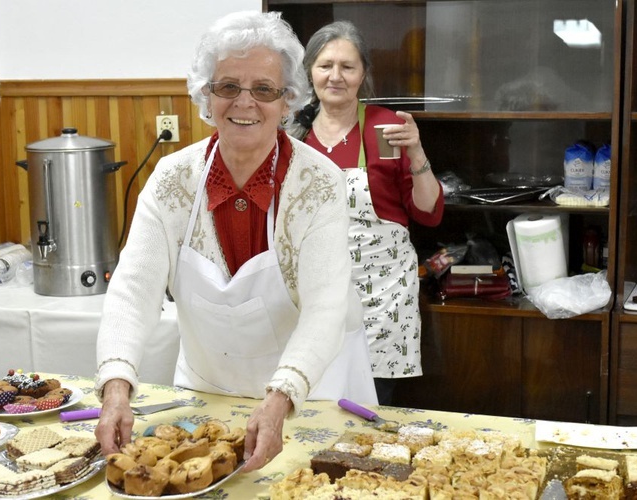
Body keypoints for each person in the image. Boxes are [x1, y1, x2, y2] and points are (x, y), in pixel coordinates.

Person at [93, 11, 377, 473]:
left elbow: (325, 308)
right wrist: (117, 385)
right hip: (206, 396)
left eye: (263, 89)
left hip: (309, 396)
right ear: (206, 94)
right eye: (228, 86)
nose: (244, 103)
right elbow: (132, 291)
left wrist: (281, 397)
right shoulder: (172, 179)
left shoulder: (319, 182)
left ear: (287, 101)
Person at [290, 21, 444, 406]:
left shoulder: (385, 128)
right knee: (314, 400)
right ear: (310, 71)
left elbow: (429, 213)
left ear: (363, 75)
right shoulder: (294, 135)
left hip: (381, 294)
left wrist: (417, 152)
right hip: (315, 293)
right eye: (326, 66)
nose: (336, 76)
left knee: (371, 408)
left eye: (348, 67)